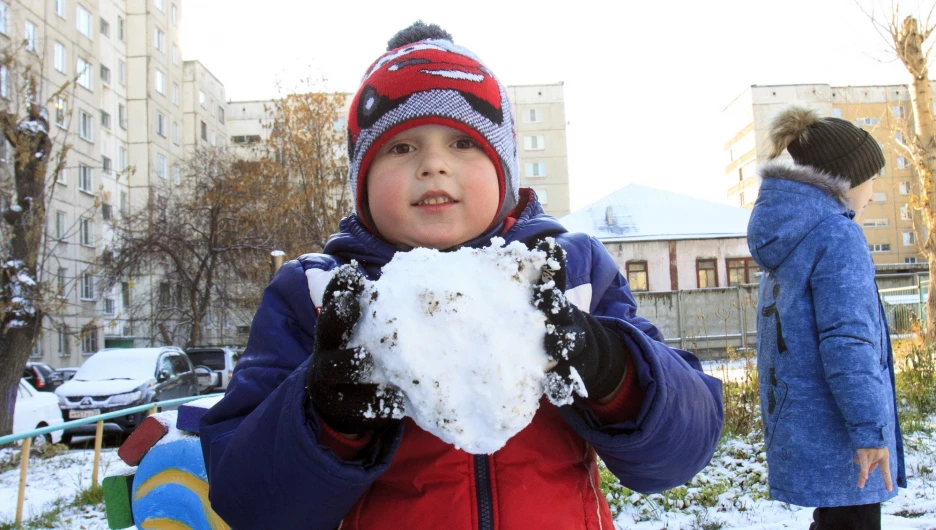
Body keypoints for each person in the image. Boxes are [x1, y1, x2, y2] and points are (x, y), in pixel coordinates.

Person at [199, 21, 723, 529]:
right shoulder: (318, 295)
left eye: (463, 143)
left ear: (505, 169)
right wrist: (326, 420)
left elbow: (680, 452)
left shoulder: (572, 272)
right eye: (401, 147)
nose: (433, 165)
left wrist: (615, 372)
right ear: (362, 180)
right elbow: (249, 503)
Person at [748, 106, 907, 530]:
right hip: (844, 433)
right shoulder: (838, 235)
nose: (873, 192)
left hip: (811, 422)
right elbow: (848, 341)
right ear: (846, 179)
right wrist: (870, 432)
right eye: (872, 178)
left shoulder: (793, 235)